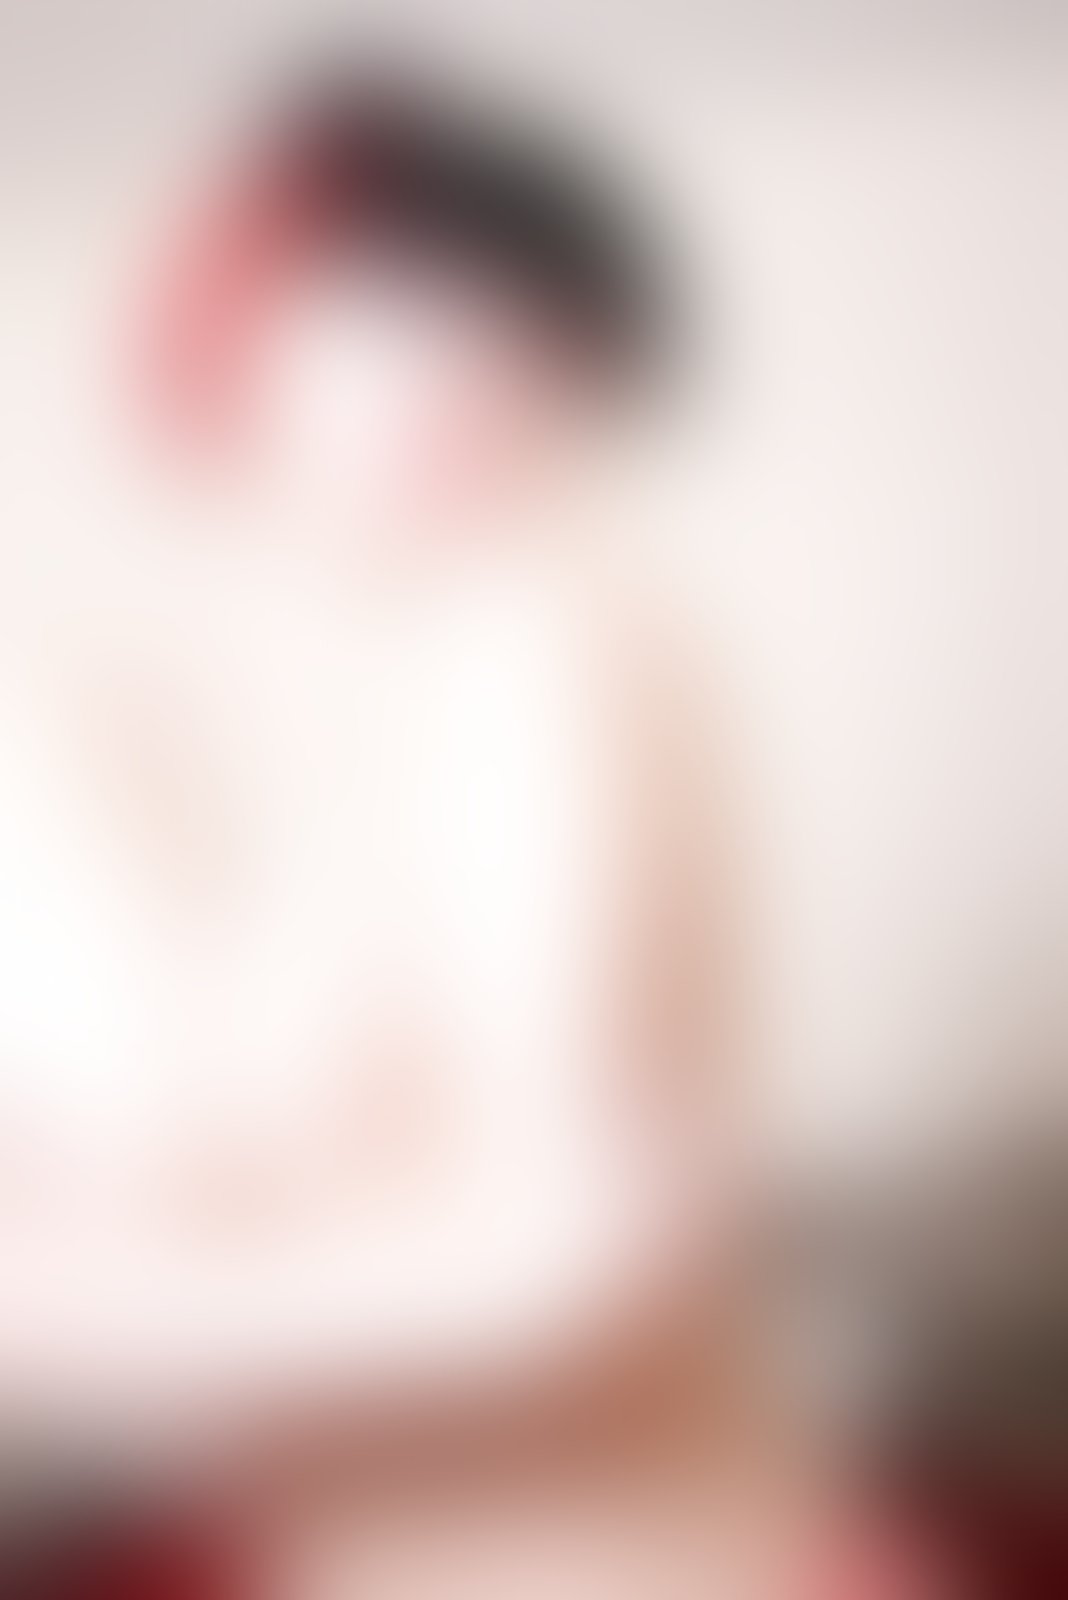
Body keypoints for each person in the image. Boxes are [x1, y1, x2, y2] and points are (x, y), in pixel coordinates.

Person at [0, 75, 948, 1599]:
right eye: (390, 306)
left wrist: (65, 1312)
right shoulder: (370, 685)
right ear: (245, 303)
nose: (466, 374)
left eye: (534, 340)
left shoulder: (550, 635)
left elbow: (581, 1239)